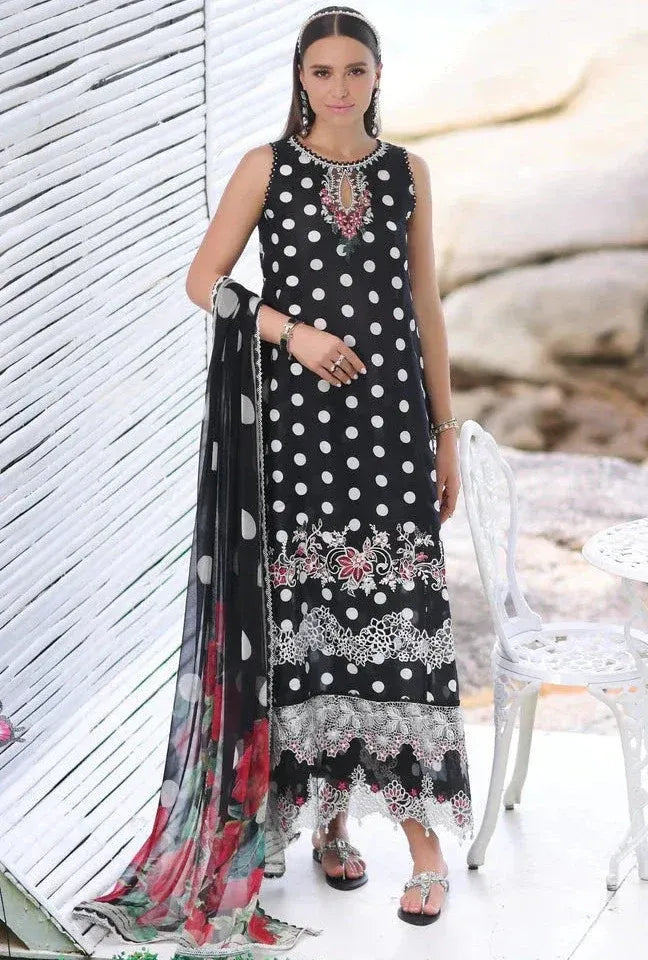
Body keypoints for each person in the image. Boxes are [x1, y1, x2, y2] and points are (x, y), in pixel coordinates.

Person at [72, 6, 472, 957]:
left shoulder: (408, 173)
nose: (338, 87)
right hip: (296, 433)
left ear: (378, 76)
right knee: (309, 625)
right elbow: (204, 281)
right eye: (322, 71)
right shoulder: (267, 168)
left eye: (355, 70)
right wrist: (293, 334)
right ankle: (328, 825)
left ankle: (421, 843)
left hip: (390, 431)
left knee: (398, 615)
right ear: (300, 77)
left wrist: (445, 430)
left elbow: (424, 303)